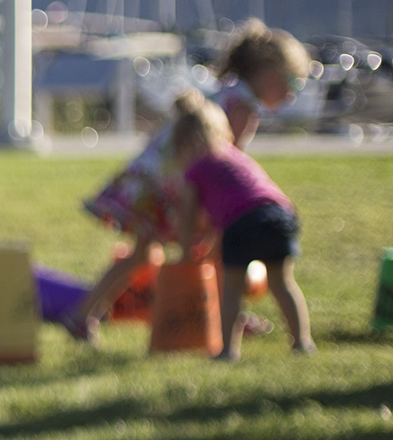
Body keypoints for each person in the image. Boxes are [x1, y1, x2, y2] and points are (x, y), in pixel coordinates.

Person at [63, 21, 310, 346]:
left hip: (154, 177)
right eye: (291, 81)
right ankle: (226, 317)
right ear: (266, 72)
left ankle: (83, 315)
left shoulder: (228, 94)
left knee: (140, 254)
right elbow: (224, 165)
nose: (292, 93)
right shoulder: (242, 108)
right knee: (218, 253)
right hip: (179, 184)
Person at [166, 88, 311, 360]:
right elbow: (233, 207)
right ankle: (302, 343)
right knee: (282, 283)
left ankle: (227, 351)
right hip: (281, 215)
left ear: (183, 143)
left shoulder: (196, 168)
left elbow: (189, 219)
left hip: (243, 222)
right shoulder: (233, 156)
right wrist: (212, 246)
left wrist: (186, 256)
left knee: (231, 287)